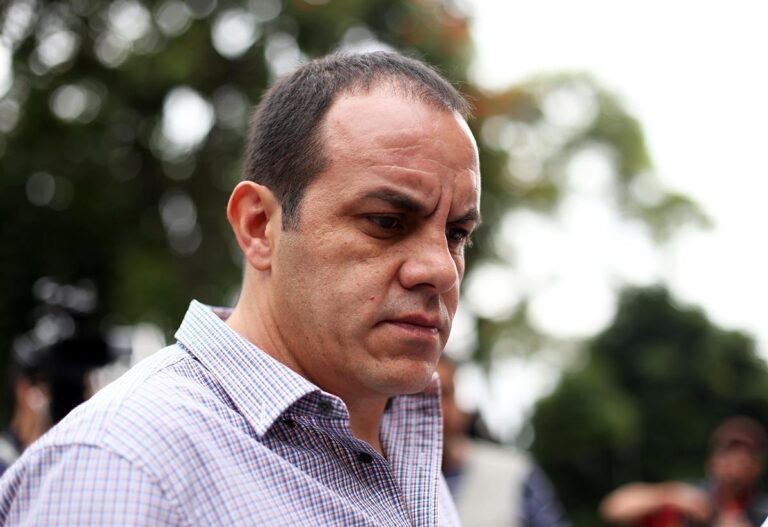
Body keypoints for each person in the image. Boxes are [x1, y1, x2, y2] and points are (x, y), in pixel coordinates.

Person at [0, 51, 481, 526]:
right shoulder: (122, 466)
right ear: (258, 226)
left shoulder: (404, 445)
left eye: (456, 233)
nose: (441, 269)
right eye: (387, 221)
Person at [438, 358, 569, 527]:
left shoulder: (515, 474)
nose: (426, 407)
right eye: (412, 396)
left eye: (441, 394)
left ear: (459, 406)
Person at [600, 416, 768, 527]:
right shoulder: (691, 495)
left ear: (757, 467)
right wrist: (672, 495)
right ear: (711, 462)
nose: (735, 466)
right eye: (728, 457)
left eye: (745, 459)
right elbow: (614, 508)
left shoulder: (762, 511)